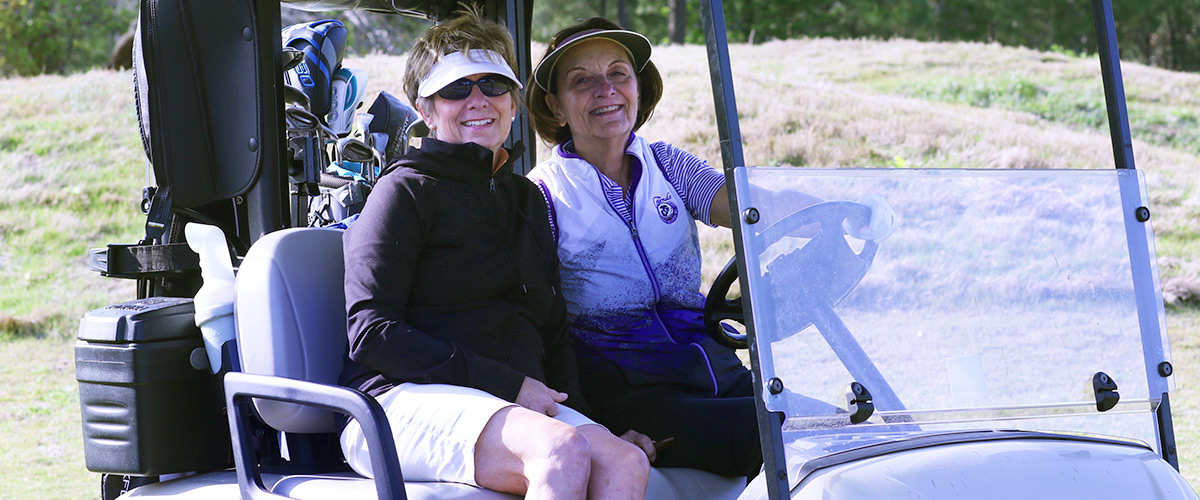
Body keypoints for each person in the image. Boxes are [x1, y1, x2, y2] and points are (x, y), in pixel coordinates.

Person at [525, 18, 896, 479]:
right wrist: (591, 424)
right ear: (556, 107)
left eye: (618, 73)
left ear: (638, 87)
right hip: (633, 396)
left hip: (719, 371)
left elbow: (755, 206)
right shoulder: (542, 196)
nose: (606, 89)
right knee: (782, 434)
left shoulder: (666, 165)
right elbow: (536, 328)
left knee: (855, 435)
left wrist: (846, 213)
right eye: (582, 81)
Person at [338, 10, 653, 500]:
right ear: (425, 108)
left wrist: (595, 421)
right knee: (560, 451)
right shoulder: (402, 193)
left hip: (505, 403)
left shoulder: (524, 199)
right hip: (396, 401)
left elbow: (551, 332)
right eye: (456, 89)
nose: (477, 101)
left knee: (625, 462)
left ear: (513, 101)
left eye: (493, 84)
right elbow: (372, 333)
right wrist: (506, 384)